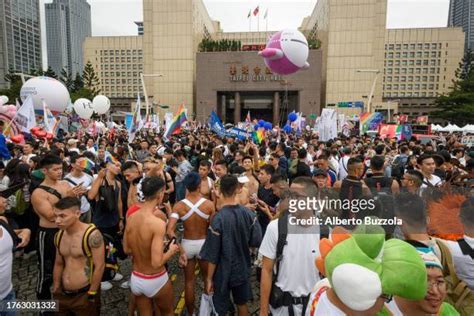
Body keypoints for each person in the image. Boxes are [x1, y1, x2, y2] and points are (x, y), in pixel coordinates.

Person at [200, 175, 263, 315]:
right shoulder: (249, 214)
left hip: (222, 271)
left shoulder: (218, 219)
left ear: (219, 191)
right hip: (242, 266)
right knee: (242, 303)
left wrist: (209, 279)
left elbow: (212, 254)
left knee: (220, 307)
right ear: (237, 190)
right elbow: (256, 241)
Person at [259, 177, 321, 316]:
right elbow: (267, 270)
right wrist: (263, 310)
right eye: (290, 195)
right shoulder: (276, 228)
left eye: (297, 196)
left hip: (313, 308)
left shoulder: (325, 232)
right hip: (281, 308)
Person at [31, 155, 86, 301]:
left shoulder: (65, 184)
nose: (59, 172)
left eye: (60, 168)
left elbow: (74, 209)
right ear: (44, 171)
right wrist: (67, 197)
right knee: (46, 271)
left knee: (68, 264)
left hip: (66, 232)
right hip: (48, 234)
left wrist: (77, 196)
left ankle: (64, 300)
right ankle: (44, 306)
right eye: (55, 169)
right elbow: (51, 216)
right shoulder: (39, 193)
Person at [123, 176, 179, 316]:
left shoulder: (131, 217)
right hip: (155, 278)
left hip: (136, 277)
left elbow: (127, 249)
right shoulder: (157, 223)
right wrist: (171, 250)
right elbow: (156, 262)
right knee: (168, 313)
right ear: (160, 194)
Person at [167, 173, 215, 316]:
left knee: (189, 282)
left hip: (187, 244)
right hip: (204, 244)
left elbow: (170, 230)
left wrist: (180, 249)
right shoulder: (209, 204)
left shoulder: (178, 206)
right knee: (208, 278)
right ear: (200, 185)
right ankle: (209, 310)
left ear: (186, 186)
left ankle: (190, 313)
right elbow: (213, 228)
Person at [52, 197, 105, 316]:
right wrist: (56, 287)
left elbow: (100, 266)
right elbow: (59, 263)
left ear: (77, 213)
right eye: (55, 216)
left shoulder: (92, 235)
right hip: (63, 295)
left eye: (62, 216)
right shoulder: (59, 235)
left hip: (84, 294)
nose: (57, 220)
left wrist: (92, 293)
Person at [88, 154, 124, 291]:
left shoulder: (118, 183)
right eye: (116, 165)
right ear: (108, 166)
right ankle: (100, 278)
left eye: (120, 166)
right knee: (100, 250)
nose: (118, 168)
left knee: (112, 247)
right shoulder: (100, 181)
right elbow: (91, 196)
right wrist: (99, 178)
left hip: (113, 220)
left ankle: (111, 271)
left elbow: (119, 202)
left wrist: (121, 219)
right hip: (100, 221)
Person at [387, 248, 459, 316]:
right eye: (424, 282)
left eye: (439, 282)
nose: (435, 291)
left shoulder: (447, 312)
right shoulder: (378, 310)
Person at [0, 195, 31, 314]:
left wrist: (26, 231)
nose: (5, 200)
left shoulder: (3, 221)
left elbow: (13, 233)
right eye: (0, 196)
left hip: (8, 294)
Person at [64, 156, 94, 223]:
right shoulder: (66, 180)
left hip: (87, 209)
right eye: (80, 162)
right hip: (73, 212)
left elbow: (93, 192)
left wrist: (87, 191)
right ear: (72, 164)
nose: (83, 164)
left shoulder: (89, 177)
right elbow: (64, 197)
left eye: (84, 162)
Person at [256, 165, 279, 234]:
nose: (259, 176)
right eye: (259, 174)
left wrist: (267, 208)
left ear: (269, 176)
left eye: (262, 174)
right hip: (260, 222)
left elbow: (278, 210)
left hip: (272, 223)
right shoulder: (260, 188)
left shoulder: (276, 191)